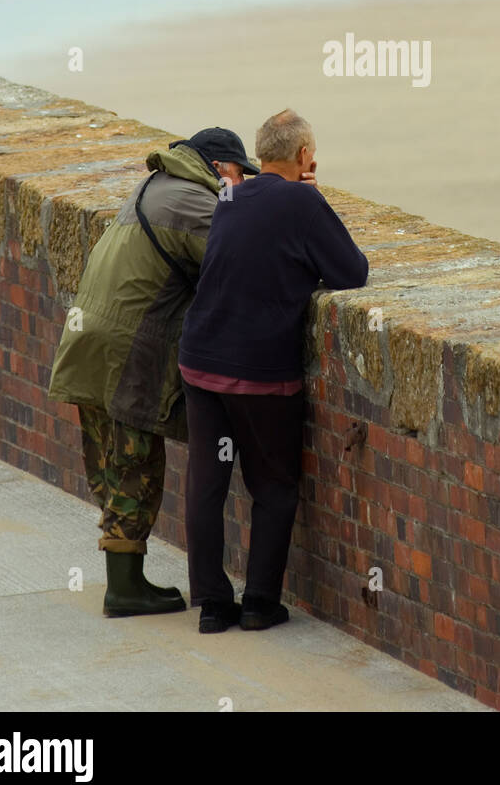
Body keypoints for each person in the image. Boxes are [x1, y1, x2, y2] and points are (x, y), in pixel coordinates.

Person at [48, 128, 259, 617]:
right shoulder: (192, 200)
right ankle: (124, 590)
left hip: (91, 338)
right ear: (216, 167)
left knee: (109, 459)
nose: (241, 183)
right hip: (128, 347)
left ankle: (126, 580)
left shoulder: (157, 186)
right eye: (237, 174)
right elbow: (239, 260)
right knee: (135, 464)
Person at [179, 109, 368, 634]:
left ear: (261, 156)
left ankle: (214, 605)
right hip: (261, 369)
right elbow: (352, 272)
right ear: (306, 156)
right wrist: (313, 195)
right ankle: (260, 602)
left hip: (200, 359)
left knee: (206, 480)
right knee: (275, 483)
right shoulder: (304, 200)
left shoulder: (232, 197)